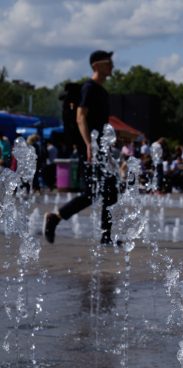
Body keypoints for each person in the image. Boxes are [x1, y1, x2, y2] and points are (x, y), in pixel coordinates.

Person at [44, 50, 118, 245]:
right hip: (91, 148)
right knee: (92, 193)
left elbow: (102, 124)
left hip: (100, 148)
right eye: (108, 62)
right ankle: (55, 217)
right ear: (96, 66)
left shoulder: (101, 91)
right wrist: (88, 144)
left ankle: (106, 236)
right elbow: (80, 116)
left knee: (109, 191)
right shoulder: (89, 88)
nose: (112, 66)